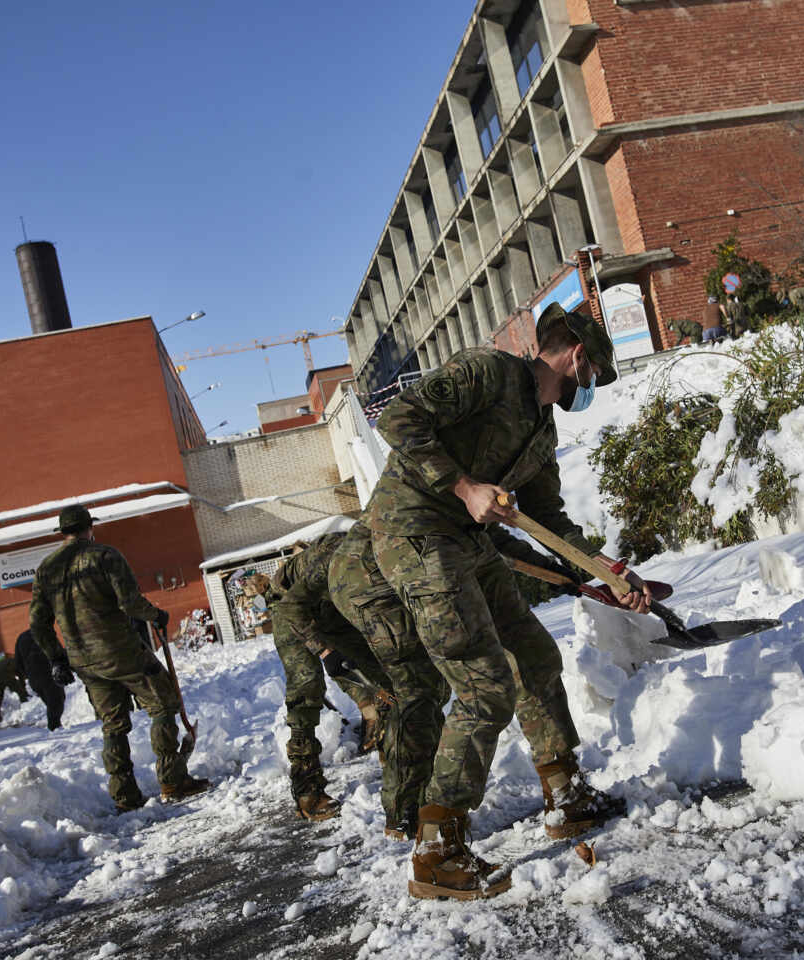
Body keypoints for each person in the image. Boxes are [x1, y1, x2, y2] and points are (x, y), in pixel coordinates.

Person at [364, 302, 651, 900]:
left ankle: (565, 795)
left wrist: (607, 572)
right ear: (577, 357)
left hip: (469, 541)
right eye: (595, 371)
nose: (592, 385)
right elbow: (396, 417)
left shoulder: (540, 428)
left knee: (535, 657)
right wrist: (466, 487)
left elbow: (549, 518)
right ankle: (436, 853)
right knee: (484, 684)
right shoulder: (488, 373)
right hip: (415, 531)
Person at [330, 519, 588, 843]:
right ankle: (432, 838)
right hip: (388, 562)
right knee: (458, 691)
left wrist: (559, 569)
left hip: (457, 544)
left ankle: (565, 793)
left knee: (532, 654)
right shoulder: (432, 473)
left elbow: (488, 524)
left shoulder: (491, 480)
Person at [29, 504, 210, 812]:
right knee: (164, 704)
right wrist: (156, 615)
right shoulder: (104, 556)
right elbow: (128, 602)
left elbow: (37, 622)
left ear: (62, 532)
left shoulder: (46, 569)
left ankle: (125, 798)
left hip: (85, 663)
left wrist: (56, 658)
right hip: (120, 651)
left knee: (113, 725)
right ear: (90, 527)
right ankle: (172, 781)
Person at [259, 530, 398, 822]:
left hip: (330, 605)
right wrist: (324, 650)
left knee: (378, 672)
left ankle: (396, 757)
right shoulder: (336, 556)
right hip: (289, 604)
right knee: (307, 684)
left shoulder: (392, 556)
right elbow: (292, 608)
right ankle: (307, 789)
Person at [15, 629, 66, 730]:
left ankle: (55, 726)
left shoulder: (21, 638)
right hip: (48, 672)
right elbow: (58, 650)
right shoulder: (44, 631)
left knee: (50, 701)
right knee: (56, 700)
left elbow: (18, 662)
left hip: (34, 677)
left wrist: (28, 675)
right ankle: (55, 728)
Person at [0, 654, 29, 724]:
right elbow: (21, 679)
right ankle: (27, 709)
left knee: (0, 694)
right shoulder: (18, 664)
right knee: (20, 691)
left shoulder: (10, 661)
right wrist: (25, 692)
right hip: (4, 674)